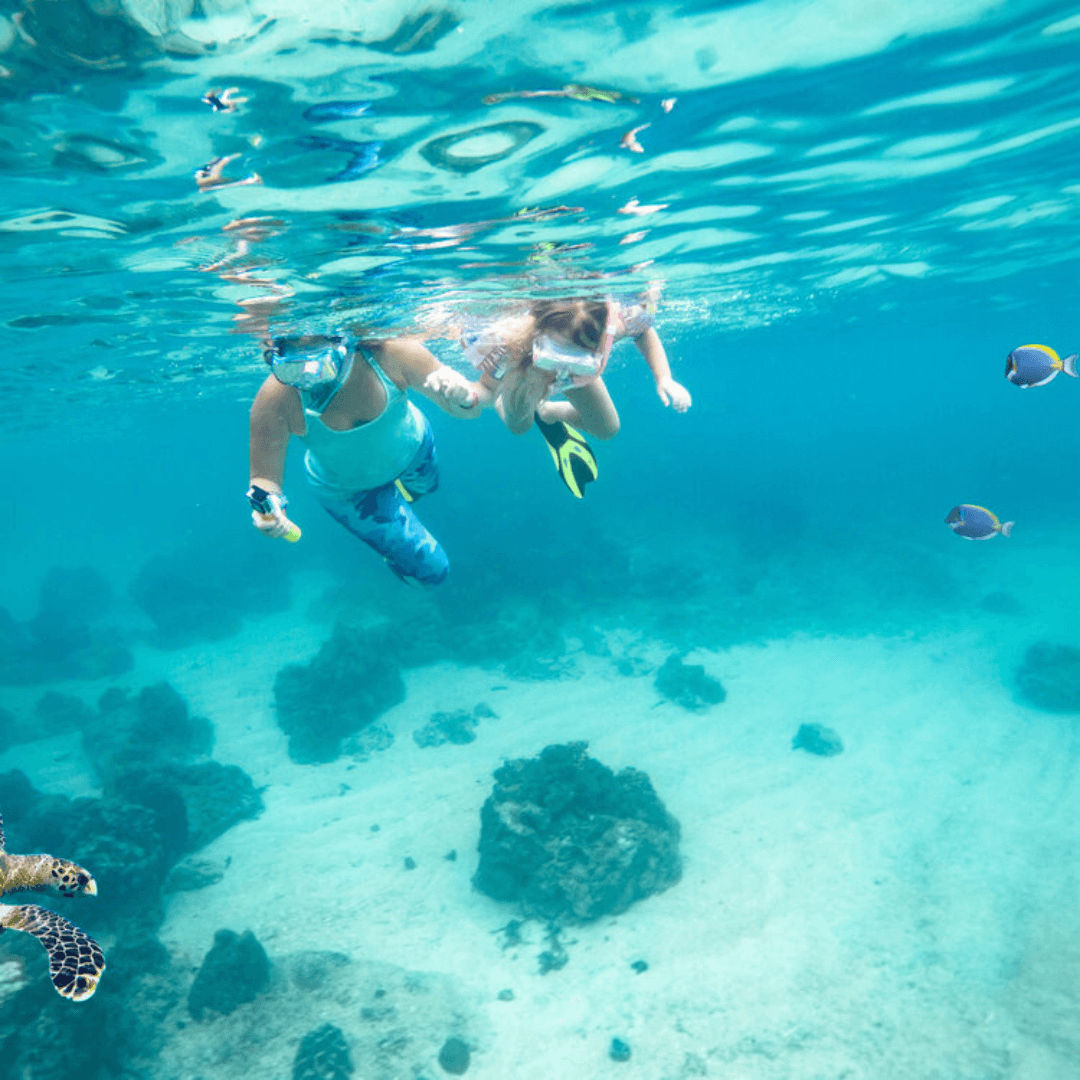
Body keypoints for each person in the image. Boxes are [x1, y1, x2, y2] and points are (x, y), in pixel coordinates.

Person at [248, 331, 486, 586]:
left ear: (345, 346)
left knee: (427, 488)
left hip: (414, 450)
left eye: (322, 366)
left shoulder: (392, 353)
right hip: (348, 492)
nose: (309, 380)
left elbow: (470, 411)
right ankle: (392, 551)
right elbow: (263, 479)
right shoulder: (275, 399)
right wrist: (268, 511)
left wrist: (465, 397)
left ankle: (402, 500)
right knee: (432, 573)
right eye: (292, 370)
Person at [458, 291, 691, 498]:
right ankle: (515, 401)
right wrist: (470, 396)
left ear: (598, 346)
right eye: (555, 356)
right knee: (520, 426)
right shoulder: (509, 343)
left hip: (576, 383)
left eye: (578, 362)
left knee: (607, 429)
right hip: (525, 374)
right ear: (537, 334)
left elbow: (643, 332)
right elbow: (486, 388)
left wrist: (664, 378)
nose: (561, 370)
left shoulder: (611, 326)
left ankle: (546, 412)